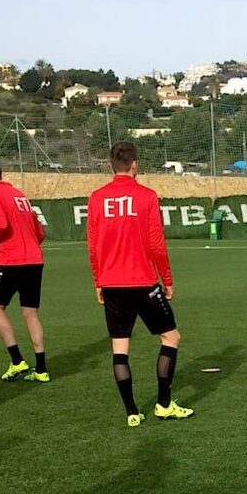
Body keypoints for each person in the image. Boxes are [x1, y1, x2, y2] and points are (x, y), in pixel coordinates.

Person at [87, 141, 193, 426]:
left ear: (111, 165)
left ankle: (132, 412)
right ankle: (163, 404)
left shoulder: (97, 198)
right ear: (134, 164)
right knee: (171, 338)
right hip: (143, 281)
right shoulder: (147, 196)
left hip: (111, 283)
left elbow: (93, 246)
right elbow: (157, 245)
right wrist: (167, 279)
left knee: (120, 348)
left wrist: (98, 281)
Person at [0, 161, 49, 381]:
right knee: (30, 313)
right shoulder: (20, 195)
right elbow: (40, 232)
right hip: (34, 260)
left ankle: (17, 361)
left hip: (11, 260)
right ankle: (41, 369)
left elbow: (0, 224)